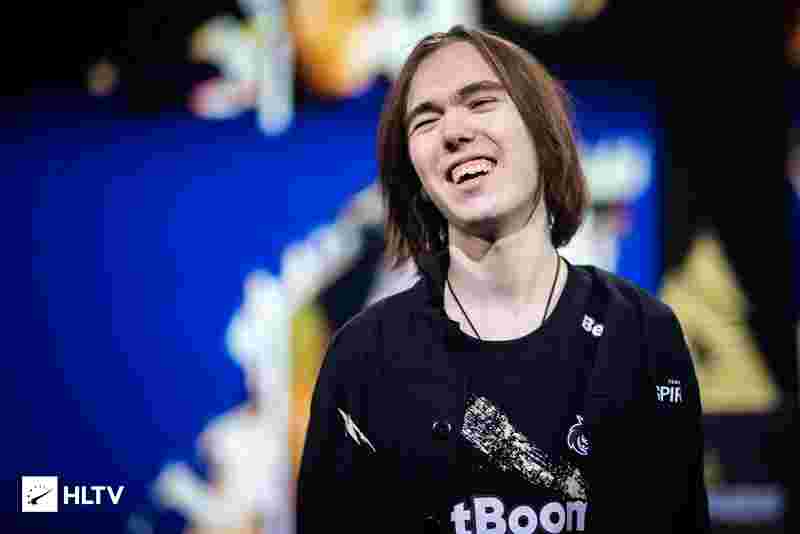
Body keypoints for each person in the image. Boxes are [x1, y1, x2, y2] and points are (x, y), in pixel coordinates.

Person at [296, 25, 710, 534]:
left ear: (542, 132)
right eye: (426, 119)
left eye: (480, 102)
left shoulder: (642, 335)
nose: (453, 131)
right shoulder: (362, 359)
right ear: (415, 175)